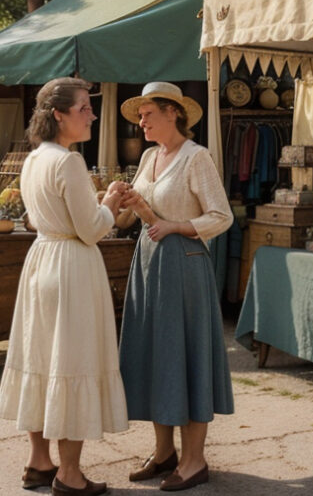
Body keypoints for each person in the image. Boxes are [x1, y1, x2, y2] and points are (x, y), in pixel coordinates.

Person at [0, 77, 128, 496]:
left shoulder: (36, 158)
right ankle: (69, 474)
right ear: (59, 115)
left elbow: (36, 219)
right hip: (70, 265)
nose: (91, 114)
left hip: (42, 260)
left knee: (41, 356)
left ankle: (38, 461)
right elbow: (90, 230)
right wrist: (108, 202)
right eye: (84, 108)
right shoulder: (68, 162)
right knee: (73, 361)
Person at [114, 82, 234, 492]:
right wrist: (123, 201)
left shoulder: (196, 157)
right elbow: (135, 220)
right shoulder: (149, 157)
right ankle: (164, 452)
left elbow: (221, 216)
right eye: (140, 115)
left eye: (147, 113)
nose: (141, 121)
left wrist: (177, 226)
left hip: (184, 266)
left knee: (187, 355)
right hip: (148, 264)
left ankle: (195, 459)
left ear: (173, 114)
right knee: (154, 354)